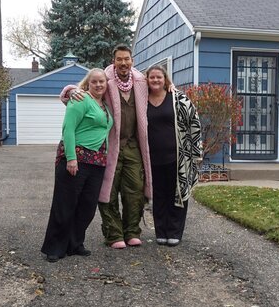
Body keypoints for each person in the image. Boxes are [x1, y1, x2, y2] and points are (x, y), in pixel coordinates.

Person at [60, 45, 152, 249]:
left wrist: (170, 86)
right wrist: (72, 90)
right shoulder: (106, 78)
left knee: (134, 189)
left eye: (126, 59)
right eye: (119, 59)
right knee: (107, 190)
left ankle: (132, 232)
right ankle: (114, 234)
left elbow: (159, 88)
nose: (123, 63)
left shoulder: (140, 81)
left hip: (133, 145)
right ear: (113, 61)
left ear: (132, 60)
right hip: (110, 145)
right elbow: (84, 86)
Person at [42, 68, 113, 263]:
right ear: (87, 84)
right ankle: (55, 248)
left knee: (87, 207)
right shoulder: (80, 99)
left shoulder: (105, 106)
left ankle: (74, 243)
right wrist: (71, 158)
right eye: (94, 82)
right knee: (64, 204)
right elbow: (68, 129)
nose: (99, 85)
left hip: (97, 162)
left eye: (102, 82)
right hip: (76, 159)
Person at [145, 65, 202, 246]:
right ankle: (161, 232)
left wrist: (196, 152)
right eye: (152, 77)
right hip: (152, 159)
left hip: (178, 158)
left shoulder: (178, 98)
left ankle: (175, 232)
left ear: (165, 79)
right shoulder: (141, 100)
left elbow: (194, 122)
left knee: (177, 195)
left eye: (158, 77)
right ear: (146, 80)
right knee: (159, 196)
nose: (155, 80)